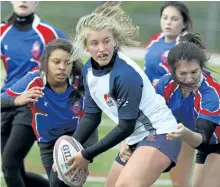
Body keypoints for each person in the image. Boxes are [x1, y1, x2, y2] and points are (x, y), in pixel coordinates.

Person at [65, 2, 181, 187]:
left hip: (160, 134)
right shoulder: (88, 71)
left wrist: (86, 155)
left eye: (106, 41)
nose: (102, 48)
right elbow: (91, 117)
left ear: (115, 41)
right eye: (94, 43)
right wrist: (72, 148)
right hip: (136, 138)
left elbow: (126, 127)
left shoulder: (125, 75)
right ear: (86, 46)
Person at [1, 38, 98, 187]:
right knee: (55, 184)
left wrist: (86, 154)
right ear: (46, 62)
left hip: (74, 140)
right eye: (56, 62)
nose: (62, 67)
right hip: (48, 144)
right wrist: (16, 100)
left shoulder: (83, 82)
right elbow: (3, 99)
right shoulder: (34, 79)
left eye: (67, 62)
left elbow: (92, 120)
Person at [1, 1, 66, 187]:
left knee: (9, 165)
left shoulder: (50, 34)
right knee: (14, 170)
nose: (23, 1)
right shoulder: (2, 31)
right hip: (7, 101)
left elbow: (71, 67)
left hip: (32, 104)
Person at [155, 32, 220, 187]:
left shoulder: (211, 93)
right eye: (183, 73)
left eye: (194, 72)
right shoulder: (165, 84)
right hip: (187, 135)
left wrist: (183, 133)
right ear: (173, 70)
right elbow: (145, 116)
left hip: (212, 142)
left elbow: (204, 140)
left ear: (200, 66)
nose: (189, 79)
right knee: (180, 184)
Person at [143, 2, 194, 187]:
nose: (168, 22)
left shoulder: (187, 44)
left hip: (181, 114)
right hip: (154, 112)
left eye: (174, 19)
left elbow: (193, 78)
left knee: (180, 178)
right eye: (165, 18)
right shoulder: (155, 40)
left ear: (184, 22)